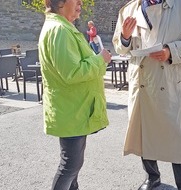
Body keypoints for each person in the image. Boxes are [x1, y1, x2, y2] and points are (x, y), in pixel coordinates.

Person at [112, 0, 181, 190]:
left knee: (178, 138)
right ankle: (152, 177)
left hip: (168, 81)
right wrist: (125, 37)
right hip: (142, 82)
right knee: (145, 132)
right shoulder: (129, 10)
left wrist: (171, 51)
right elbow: (120, 48)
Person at [38, 0, 111, 190]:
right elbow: (72, 72)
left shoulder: (63, 27)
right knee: (70, 165)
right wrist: (100, 60)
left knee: (73, 166)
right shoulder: (60, 30)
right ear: (60, 3)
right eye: (76, 0)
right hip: (71, 110)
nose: (80, 3)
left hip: (73, 109)